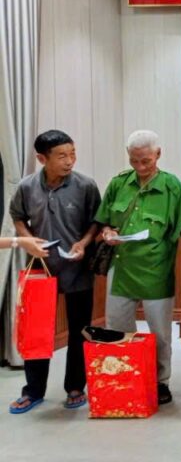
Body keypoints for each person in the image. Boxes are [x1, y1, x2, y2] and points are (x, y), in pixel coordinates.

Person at [7, 130, 101, 414]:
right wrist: (29, 241)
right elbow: (18, 217)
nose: (69, 160)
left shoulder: (86, 186)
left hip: (78, 268)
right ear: (42, 158)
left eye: (72, 154)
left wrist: (83, 243)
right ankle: (33, 391)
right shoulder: (26, 186)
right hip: (40, 269)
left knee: (79, 330)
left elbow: (96, 222)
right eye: (62, 156)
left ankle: (75, 387)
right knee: (37, 331)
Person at [95, 130, 181, 405]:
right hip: (121, 267)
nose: (140, 167)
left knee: (160, 333)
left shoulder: (172, 187)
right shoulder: (119, 183)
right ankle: (124, 376)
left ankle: (160, 381)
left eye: (146, 161)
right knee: (117, 327)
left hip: (156, 269)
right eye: (134, 161)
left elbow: (176, 232)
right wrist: (108, 232)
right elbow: (104, 221)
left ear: (158, 154)